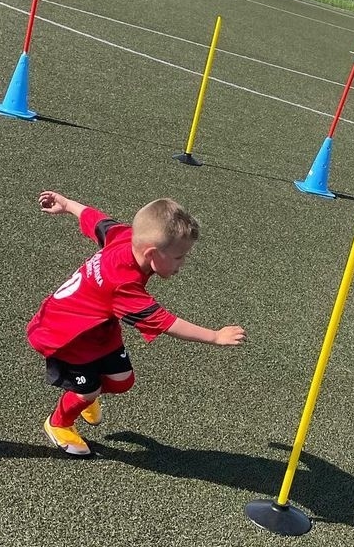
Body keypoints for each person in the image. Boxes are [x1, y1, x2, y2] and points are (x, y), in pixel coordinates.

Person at [27, 190, 246, 456]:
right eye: (179, 257)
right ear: (152, 253)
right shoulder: (123, 285)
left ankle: (85, 395)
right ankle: (59, 422)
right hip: (65, 336)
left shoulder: (126, 237)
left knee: (122, 381)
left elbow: (97, 220)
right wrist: (215, 336)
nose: (183, 263)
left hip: (99, 330)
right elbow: (166, 322)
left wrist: (67, 204)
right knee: (88, 391)